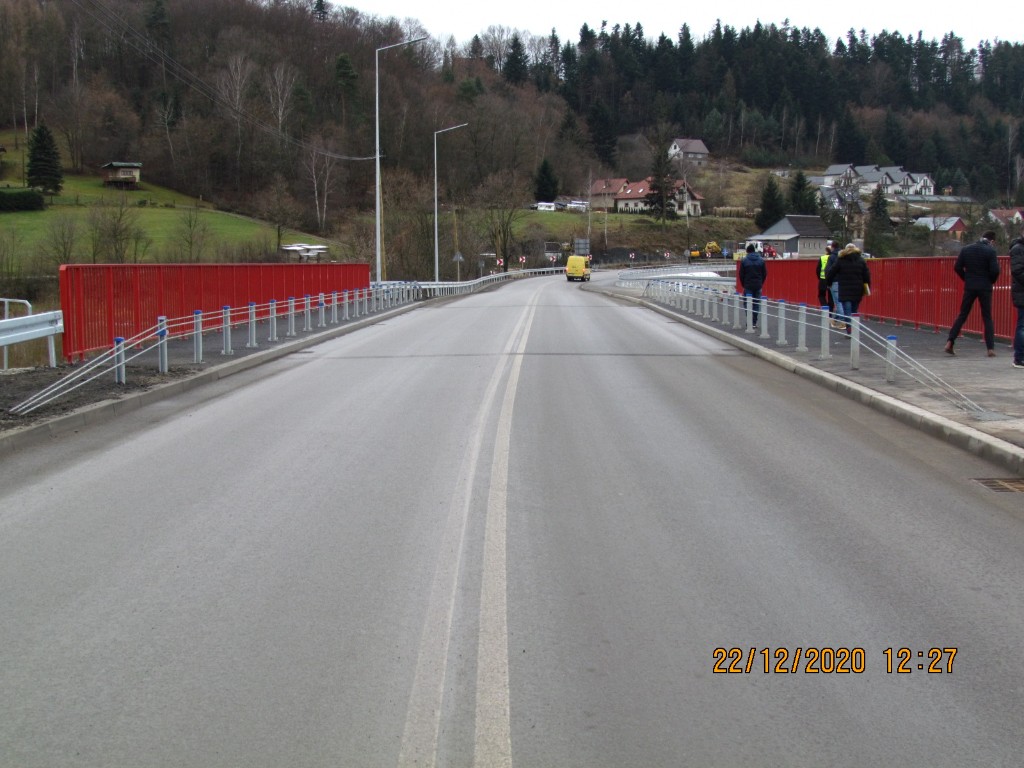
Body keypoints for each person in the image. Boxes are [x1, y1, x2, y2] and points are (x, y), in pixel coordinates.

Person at [944, 230, 1000, 357]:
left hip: (970, 286)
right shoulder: (990, 251)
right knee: (987, 317)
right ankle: (990, 348)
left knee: (963, 314)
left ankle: (950, 342)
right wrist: (991, 281)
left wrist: (966, 278)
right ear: (992, 241)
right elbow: (995, 270)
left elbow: (957, 267)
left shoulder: (966, 249)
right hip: (985, 286)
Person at [824, 242, 871, 335]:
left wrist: (829, 283)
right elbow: (867, 276)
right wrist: (867, 287)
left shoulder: (841, 260)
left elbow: (831, 272)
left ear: (845, 250)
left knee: (847, 310)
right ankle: (854, 328)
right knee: (854, 310)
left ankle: (849, 329)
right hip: (857, 289)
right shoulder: (861, 260)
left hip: (844, 289)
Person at [739, 243, 767, 327]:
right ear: (754, 251)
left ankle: (749, 321)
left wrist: (744, 284)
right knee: (756, 303)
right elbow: (765, 273)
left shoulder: (744, 261)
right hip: (758, 285)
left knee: (747, 303)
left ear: (747, 251)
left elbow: (741, 274)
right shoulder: (761, 260)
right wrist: (761, 282)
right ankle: (754, 322)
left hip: (748, 285)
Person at [816, 240, 839, 327]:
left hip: (823, 279)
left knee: (821, 295)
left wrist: (820, 277)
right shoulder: (835, 257)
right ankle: (830, 313)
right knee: (831, 297)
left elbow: (818, 269)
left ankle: (825, 308)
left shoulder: (822, 258)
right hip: (832, 280)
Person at [1010, 229, 1024, 368]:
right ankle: (1019, 357)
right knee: (1022, 326)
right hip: (1022, 292)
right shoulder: (1018, 249)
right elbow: (1017, 271)